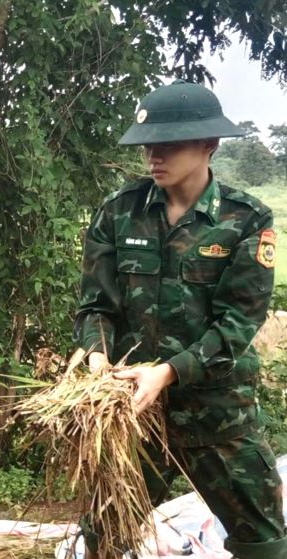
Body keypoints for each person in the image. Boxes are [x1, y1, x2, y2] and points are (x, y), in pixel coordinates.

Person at [74, 80, 284, 559]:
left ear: (209, 145)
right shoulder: (118, 212)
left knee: (264, 542)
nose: (154, 157)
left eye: (168, 146)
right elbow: (97, 306)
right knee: (102, 534)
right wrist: (96, 353)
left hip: (217, 413)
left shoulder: (246, 220)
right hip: (134, 413)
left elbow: (237, 326)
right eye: (149, 146)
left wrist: (168, 372)